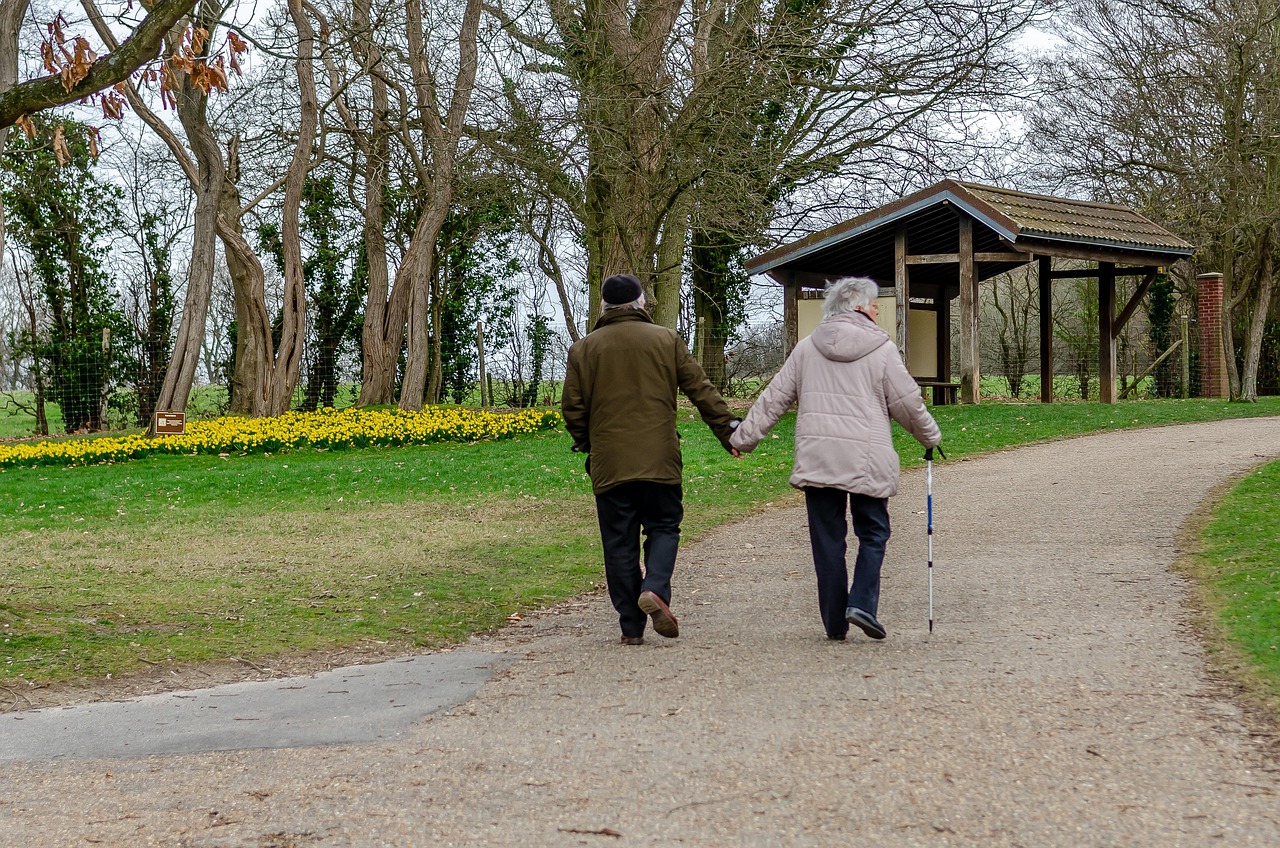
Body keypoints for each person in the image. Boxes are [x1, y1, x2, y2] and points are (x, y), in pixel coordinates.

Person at [730, 276, 941, 641]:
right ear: (859, 307)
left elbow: (774, 398)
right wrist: (930, 437)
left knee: (827, 540)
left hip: (819, 458)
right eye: (874, 304)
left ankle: (834, 622)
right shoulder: (882, 349)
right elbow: (908, 404)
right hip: (867, 458)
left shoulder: (807, 348)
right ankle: (860, 601)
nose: (877, 310)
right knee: (873, 531)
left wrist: (743, 439)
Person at [562, 273, 741, 646]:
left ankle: (630, 626)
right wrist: (729, 433)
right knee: (663, 526)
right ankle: (655, 587)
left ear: (604, 307)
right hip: (660, 458)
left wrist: (588, 444)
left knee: (618, 542)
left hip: (610, 463)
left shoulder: (583, 349)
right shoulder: (666, 340)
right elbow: (701, 389)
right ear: (641, 302)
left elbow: (573, 409)